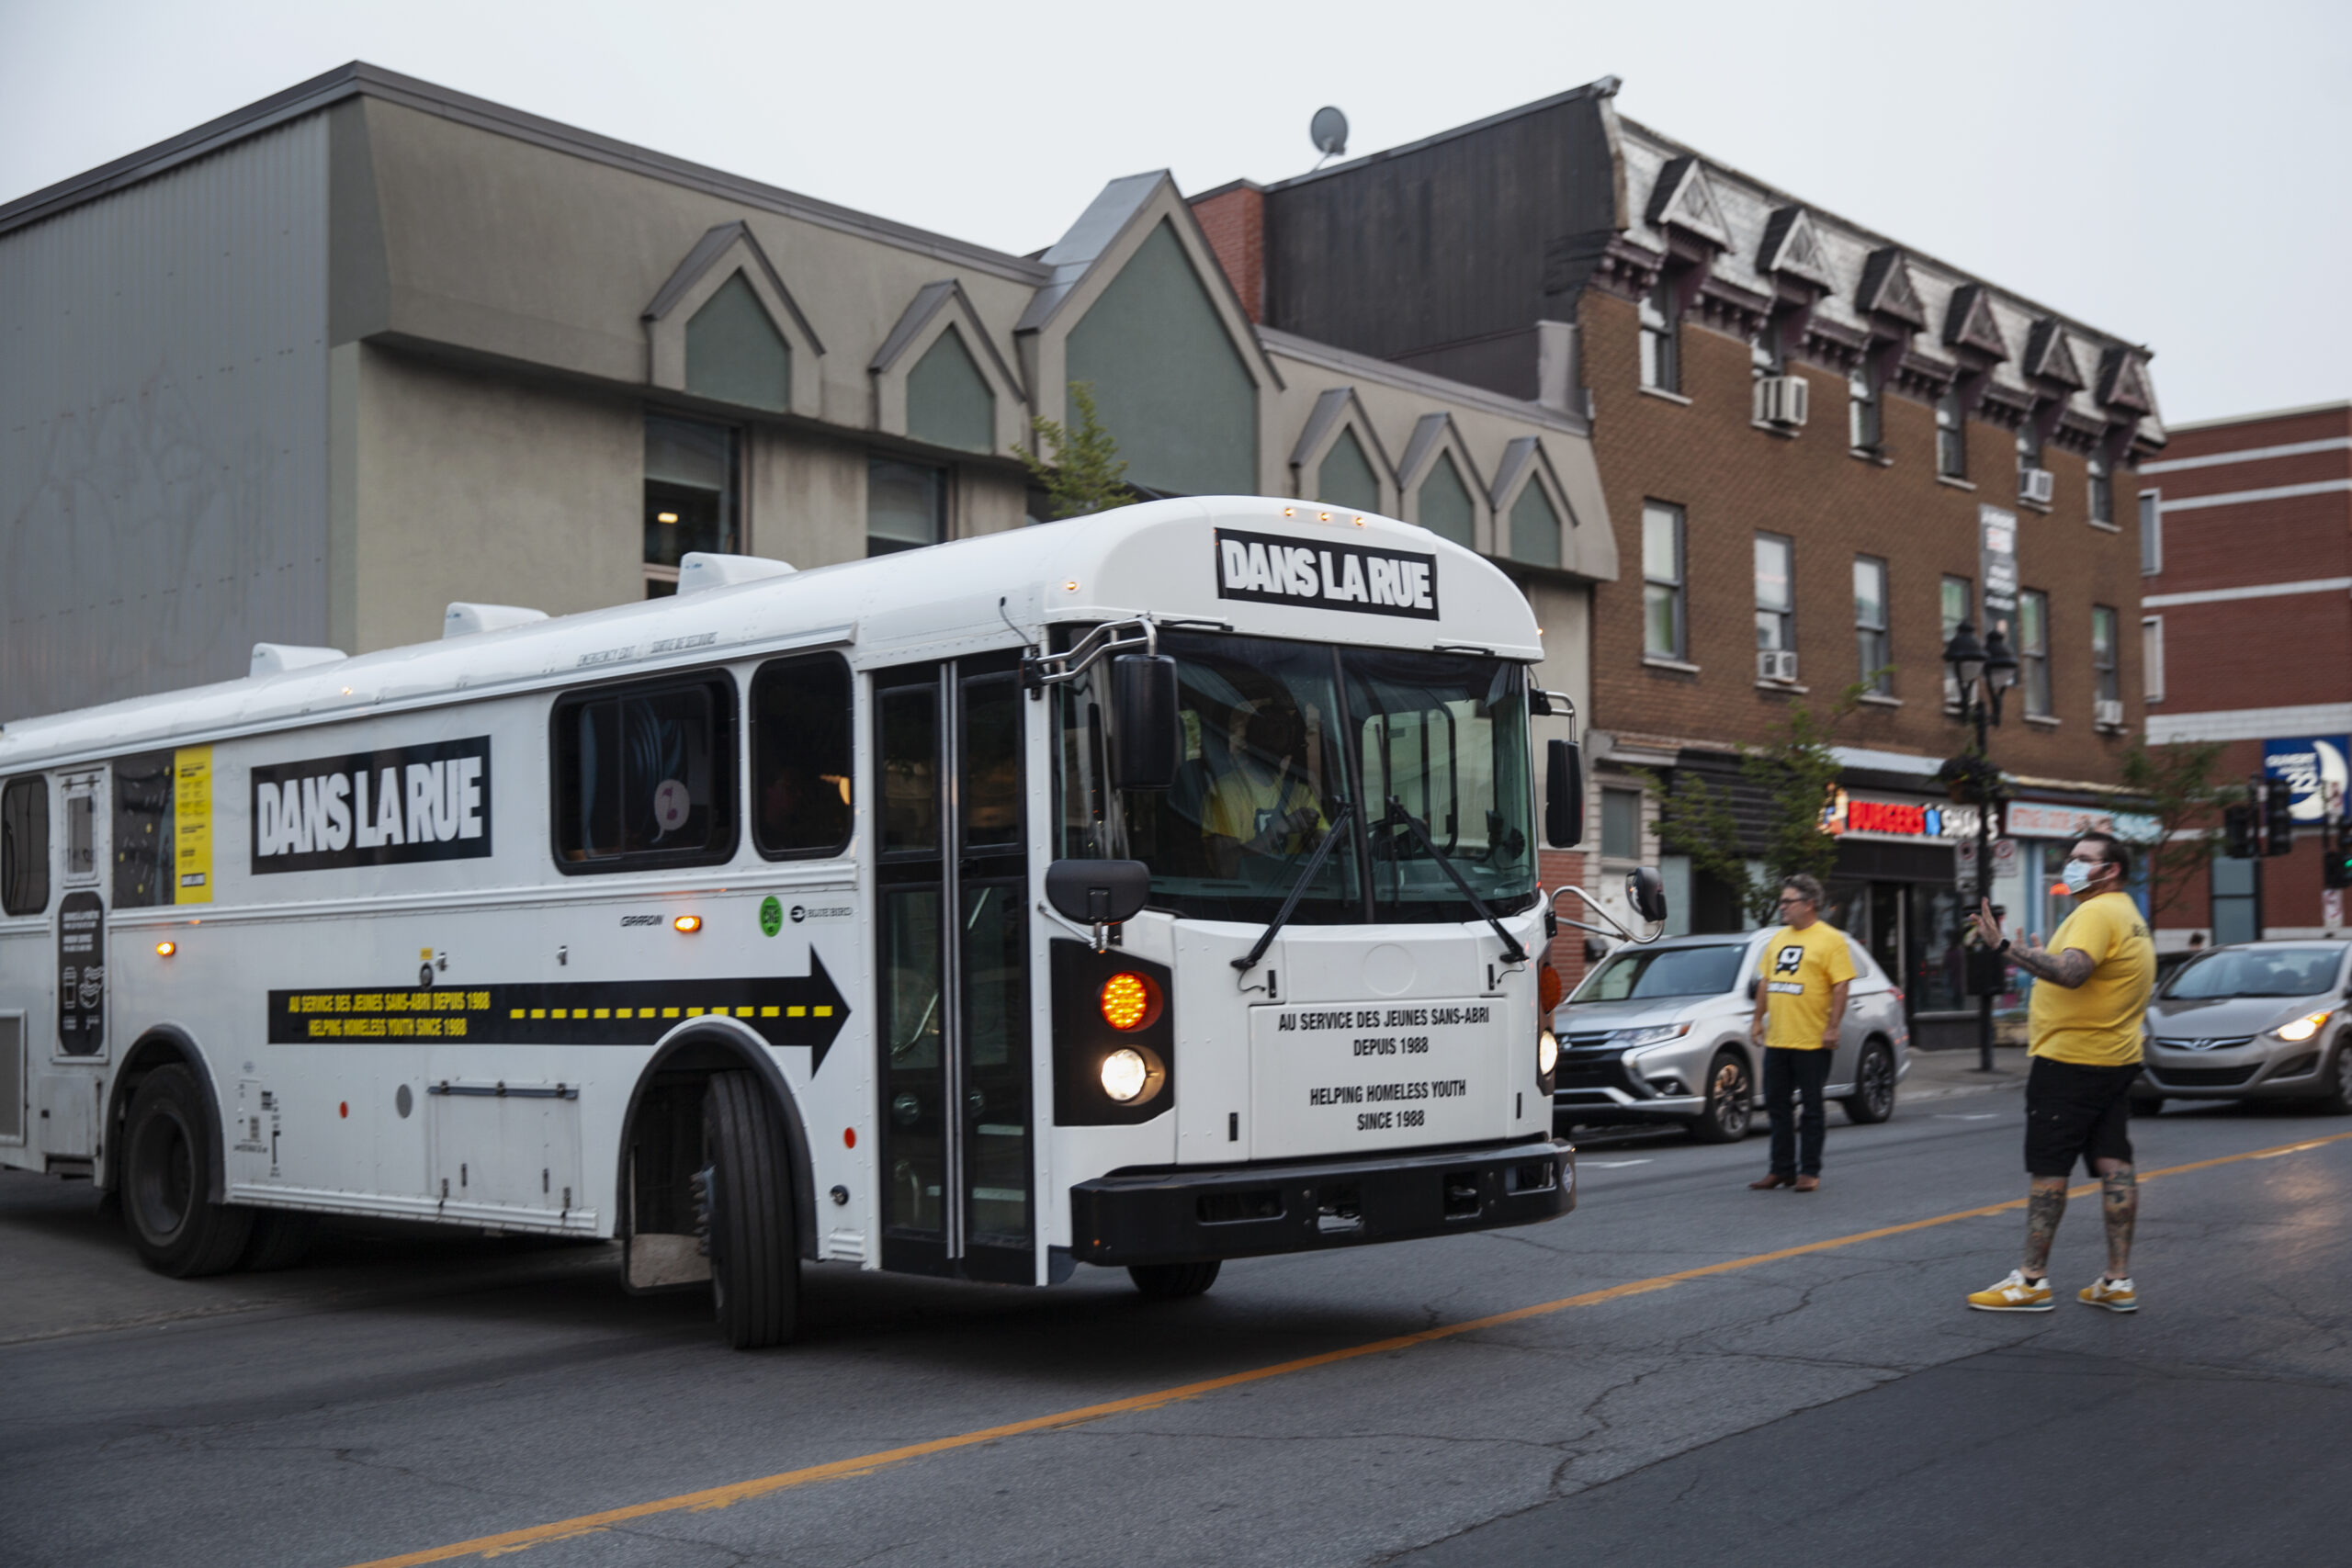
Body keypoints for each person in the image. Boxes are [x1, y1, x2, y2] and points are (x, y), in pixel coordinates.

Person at [1965, 832, 2156, 1314]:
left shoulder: (2096, 912)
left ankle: (2031, 1281)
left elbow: (2072, 972)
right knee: (2114, 1163)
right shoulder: (2130, 916)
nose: (2071, 866)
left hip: (2071, 1062)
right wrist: (2040, 958)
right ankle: (2117, 1281)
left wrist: (2006, 946)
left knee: (2050, 1168)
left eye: (2082, 860)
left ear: (2109, 870)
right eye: (2069, 858)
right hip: (2114, 1058)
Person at [1746, 874, 1855, 1193]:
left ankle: (1809, 1170)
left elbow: (1841, 985)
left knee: (1811, 1108)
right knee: (1777, 1107)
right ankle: (1781, 1169)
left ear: (1809, 905)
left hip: (1812, 1040)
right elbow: (1766, 982)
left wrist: (1833, 1027)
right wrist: (1756, 1020)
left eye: (1787, 901)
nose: (1782, 907)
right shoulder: (1777, 939)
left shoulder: (1831, 940)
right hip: (1778, 1038)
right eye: (1782, 901)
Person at [1202, 704, 1326, 877]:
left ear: (1291, 744)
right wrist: (1283, 827)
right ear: (1250, 739)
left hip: (1294, 894)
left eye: (1282, 731)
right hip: (1246, 897)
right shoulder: (1226, 792)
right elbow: (1226, 868)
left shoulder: (1300, 793)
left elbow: (1325, 842)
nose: (1274, 738)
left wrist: (1322, 841)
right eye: (1268, 729)